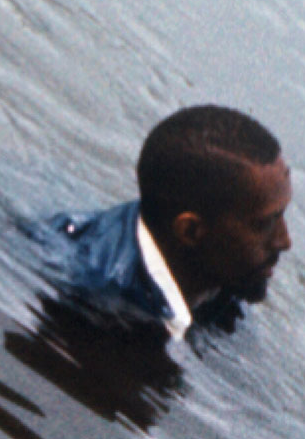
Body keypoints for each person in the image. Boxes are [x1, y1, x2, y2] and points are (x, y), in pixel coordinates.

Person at [36, 105, 292, 341]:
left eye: (282, 215)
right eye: (264, 225)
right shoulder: (101, 309)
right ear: (190, 231)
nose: (285, 241)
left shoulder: (228, 273)